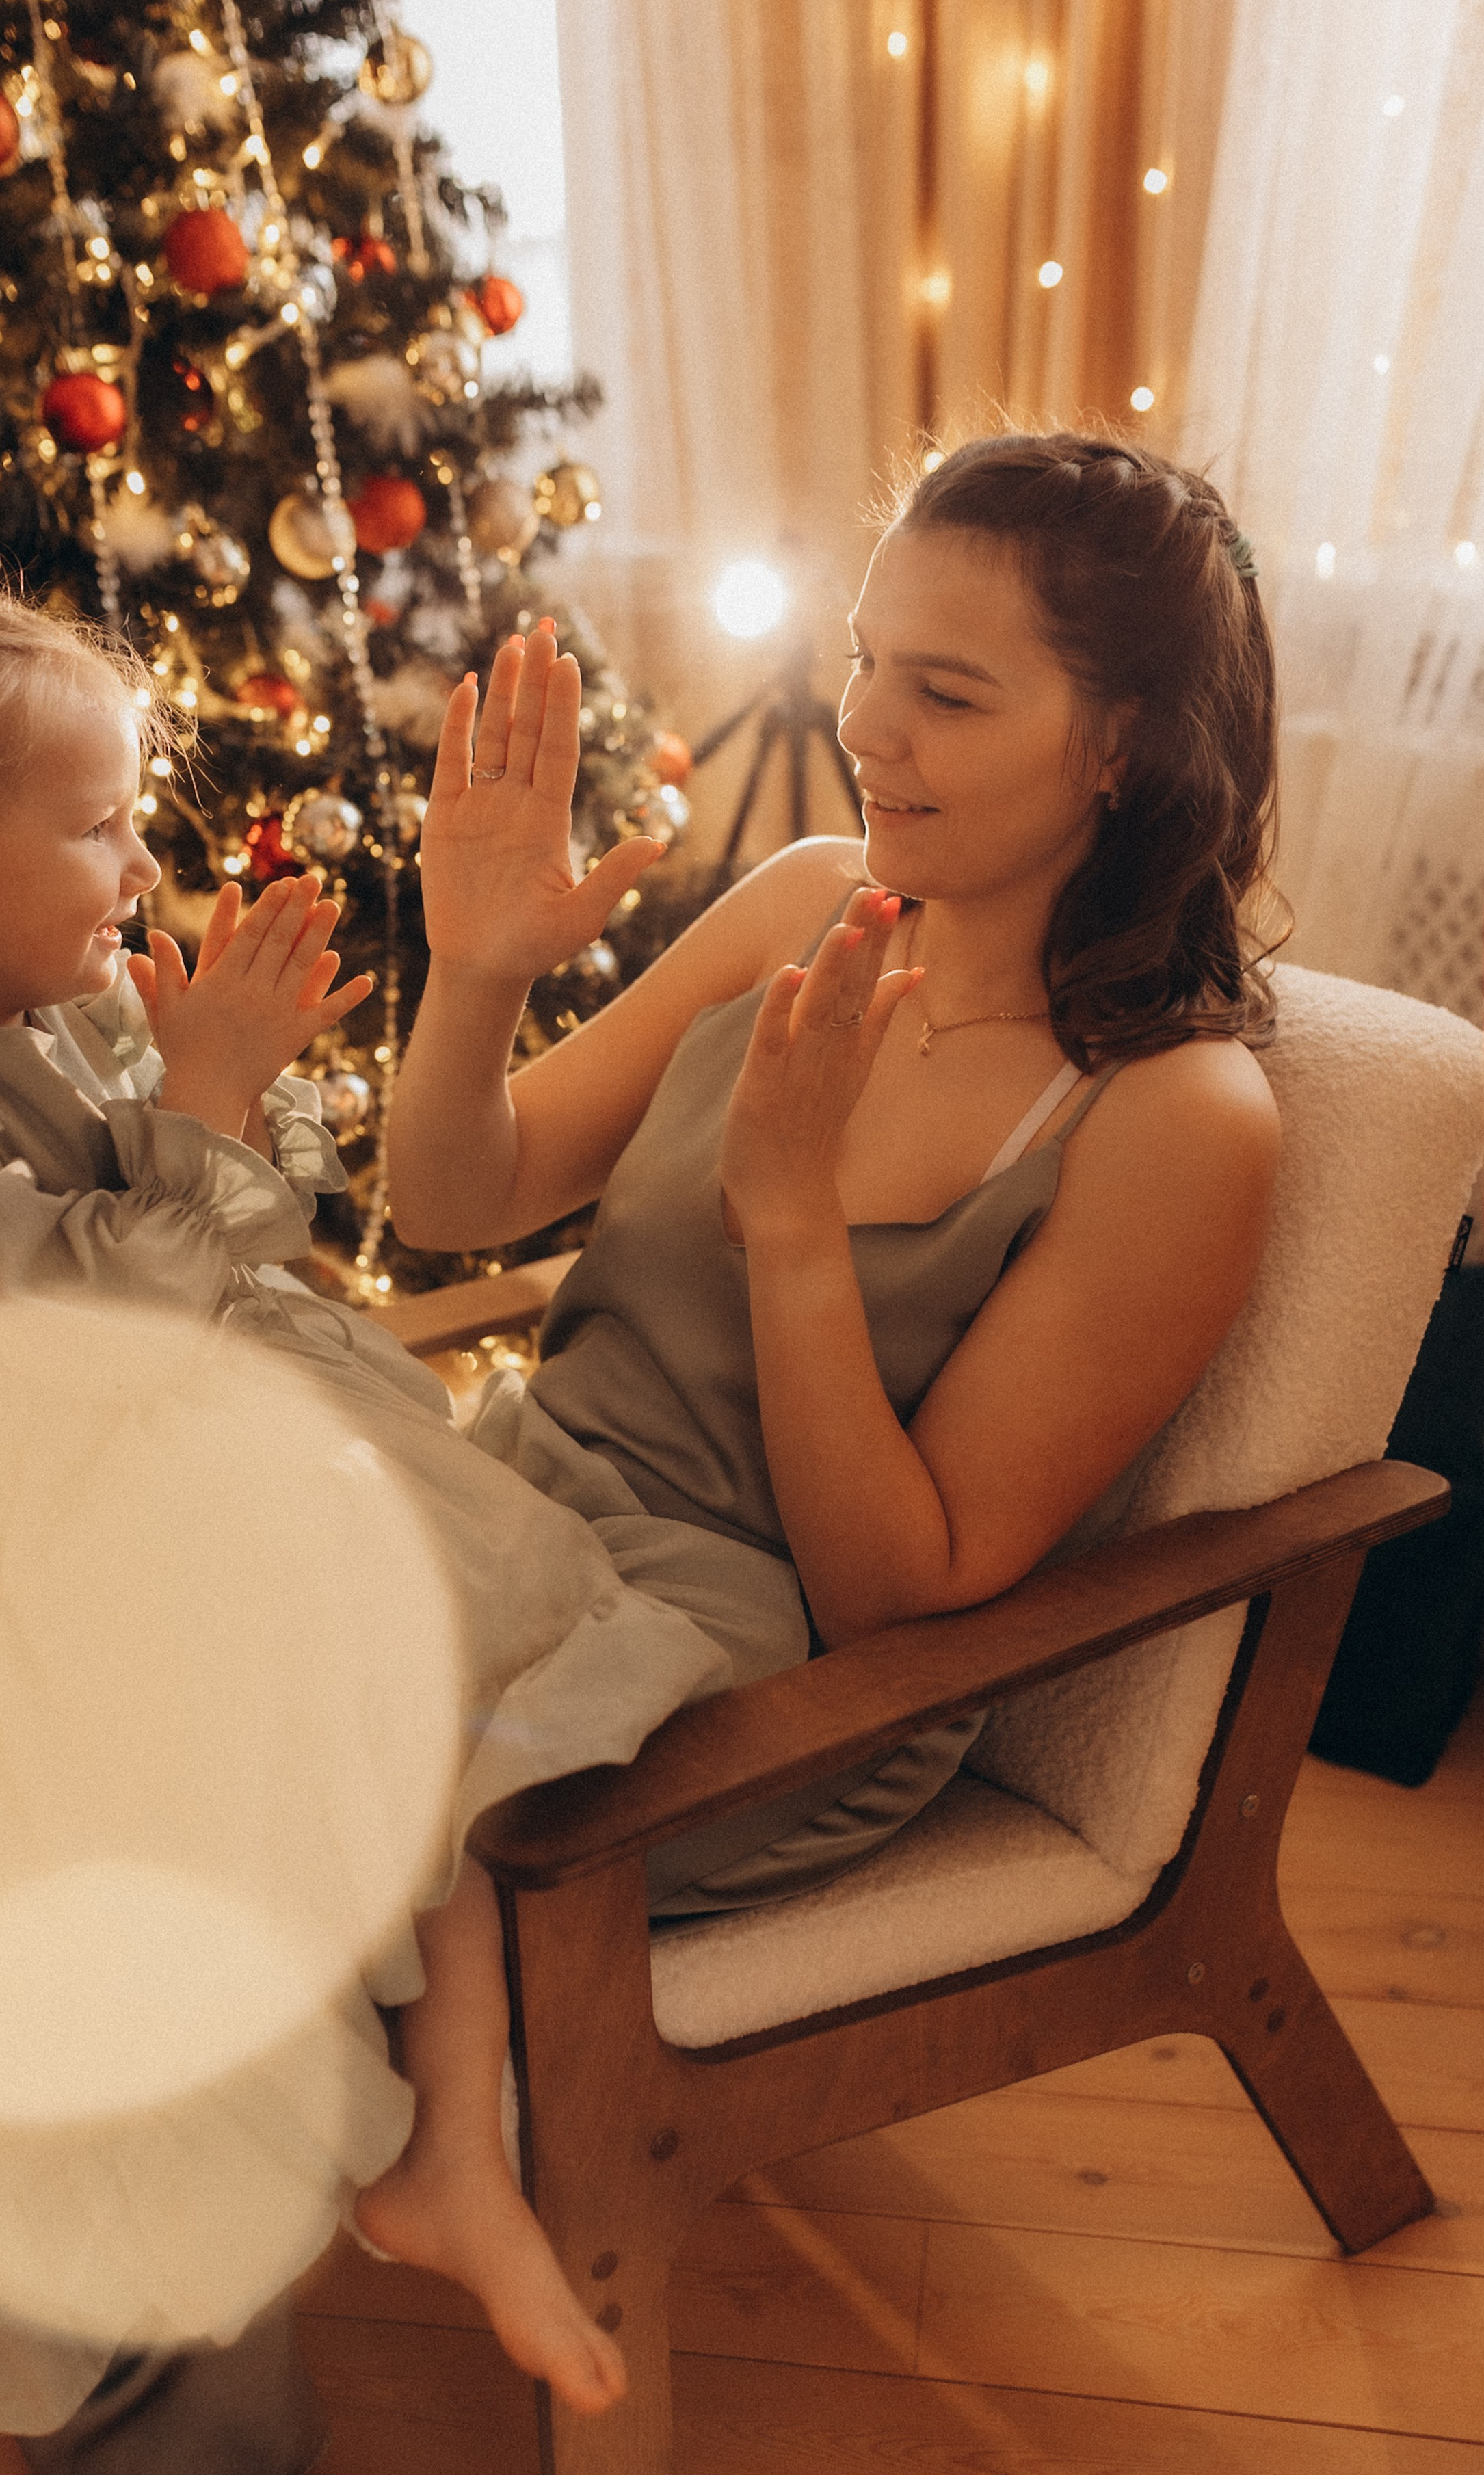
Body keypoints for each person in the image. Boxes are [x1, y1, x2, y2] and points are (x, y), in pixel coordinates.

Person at [0, 585, 748, 2463]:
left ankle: (410, 2160)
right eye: (104, 824)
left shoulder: (87, 1004)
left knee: (408, 1693)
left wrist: (226, 1089)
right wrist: (199, 1100)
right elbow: (76, 1336)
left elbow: (262, 1221)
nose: (146, 861)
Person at [389, 428, 1284, 1912]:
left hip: (752, 1694)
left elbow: (894, 1599)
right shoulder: (805, 900)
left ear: (1123, 743)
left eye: (943, 693)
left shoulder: (1176, 1118)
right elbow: (455, 1202)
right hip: (516, 1515)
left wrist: (794, 1224)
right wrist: (474, 973)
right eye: (866, 659)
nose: (862, 724)